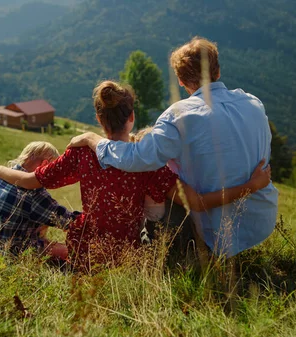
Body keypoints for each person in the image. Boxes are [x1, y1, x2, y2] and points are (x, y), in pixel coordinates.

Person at [0, 80, 271, 271]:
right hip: (127, 256)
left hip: (86, 249)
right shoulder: (151, 166)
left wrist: (0, 170)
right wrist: (252, 185)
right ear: (131, 117)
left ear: (99, 119)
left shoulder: (82, 153)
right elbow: (196, 202)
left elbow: (29, 181)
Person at [68, 37, 279, 258]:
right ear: (217, 72)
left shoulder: (180, 116)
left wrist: (93, 140)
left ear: (180, 80)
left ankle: (158, 251)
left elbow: (136, 159)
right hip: (260, 222)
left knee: (158, 179)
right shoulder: (253, 103)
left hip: (215, 234)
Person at [0, 141, 80, 260]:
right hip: (6, 255)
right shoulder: (33, 193)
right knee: (70, 251)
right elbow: (69, 222)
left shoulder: (2, 177)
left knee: (41, 222)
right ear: (45, 164)